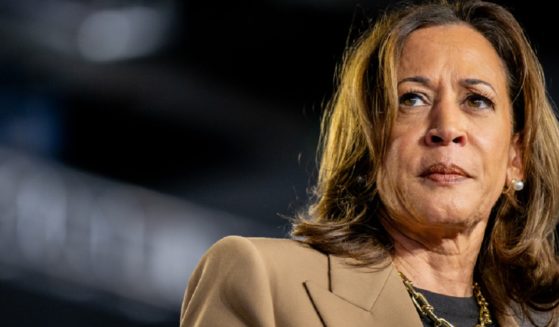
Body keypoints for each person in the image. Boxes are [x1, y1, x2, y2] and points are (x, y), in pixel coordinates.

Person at [180, 0, 559, 326]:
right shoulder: (261, 279)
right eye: (412, 99)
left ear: (516, 159)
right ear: (368, 145)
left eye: (476, 100)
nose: (447, 128)